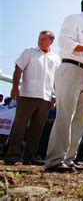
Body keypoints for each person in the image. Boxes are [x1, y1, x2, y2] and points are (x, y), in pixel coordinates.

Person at [45, 0, 83, 172]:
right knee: (65, 115)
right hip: (71, 69)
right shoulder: (74, 19)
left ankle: (69, 159)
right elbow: (65, 42)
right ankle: (55, 160)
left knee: (80, 119)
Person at [4, 31, 60, 166]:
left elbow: (56, 80)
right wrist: (15, 87)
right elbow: (18, 68)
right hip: (27, 95)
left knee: (37, 128)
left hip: (45, 98)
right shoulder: (29, 51)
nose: (40, 41)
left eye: (43, 39)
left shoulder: (56, 58)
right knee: (20, 126)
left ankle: (30, 157)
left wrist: (55, 96)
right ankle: (12, 155)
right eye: (39, 39)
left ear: (51, 41)